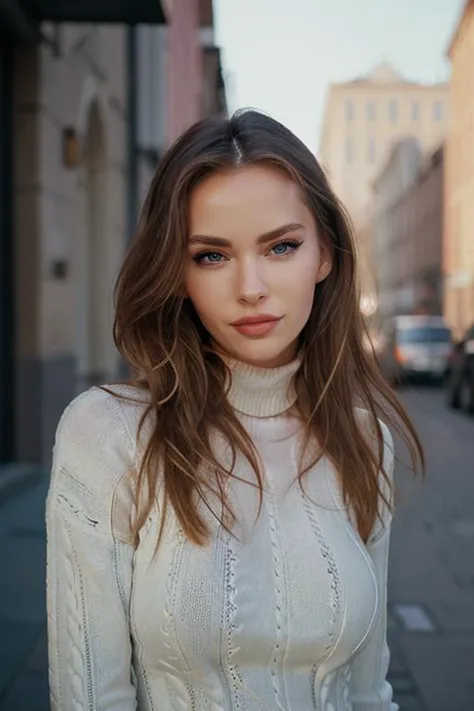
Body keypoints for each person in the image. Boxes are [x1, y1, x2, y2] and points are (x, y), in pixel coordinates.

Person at [46, 109, 423, 711]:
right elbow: (89, 694)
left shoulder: (362, 439)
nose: (251, 286)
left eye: (281, 246)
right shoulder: (109, 434)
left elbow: (369, 691)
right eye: (211, 256)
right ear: (177, 270)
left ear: (324, 255)